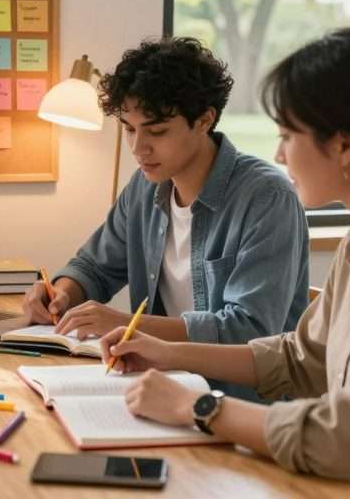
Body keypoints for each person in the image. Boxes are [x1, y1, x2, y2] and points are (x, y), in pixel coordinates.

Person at [100, 27, 350, 499]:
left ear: (344, 146)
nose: (279, 154)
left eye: (286, 135)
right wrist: (167, 351)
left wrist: (198, 406)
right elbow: (301, 359)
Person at [22, 37, 309, 400]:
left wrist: (129, 325)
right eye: (129, 128)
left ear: (205, 120)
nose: (138, 148)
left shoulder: (267, 198)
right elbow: (94, 266)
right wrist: (60, 293)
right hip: (162, 389)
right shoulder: (144, 188)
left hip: (240, 405)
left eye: (156, 131)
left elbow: (248, 331)